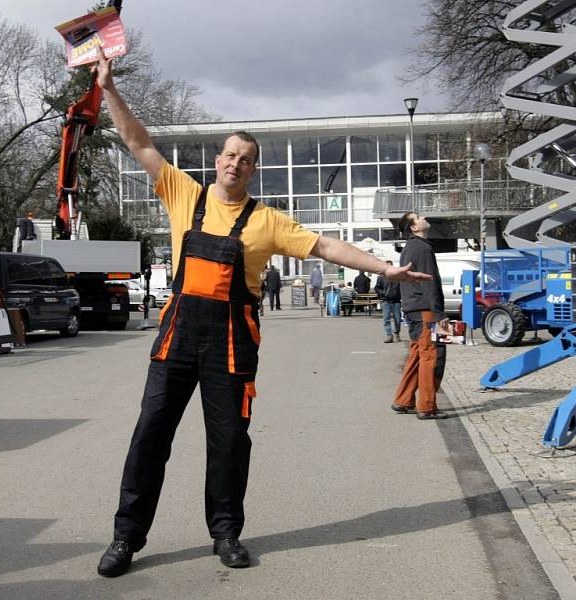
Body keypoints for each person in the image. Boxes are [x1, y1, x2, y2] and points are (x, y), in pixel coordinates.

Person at [93, 49, 431, 578]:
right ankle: (125, 537)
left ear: (254, 168)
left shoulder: (267, 221)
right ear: (217, 161)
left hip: (231, 344)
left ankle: (225, 533)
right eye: (228, 155)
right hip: (176, 339)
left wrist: (386, 268)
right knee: (150, 436)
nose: (233, 163)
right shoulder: (184, 193)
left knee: (229, 442)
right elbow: (138, 142)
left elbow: (325, 248)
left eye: (244, 159)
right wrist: (110, 89)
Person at [391, 212, 450, 420]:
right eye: (419, 217)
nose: (424, 217)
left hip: (413, 309)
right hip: (426, 310)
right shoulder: (423, 248)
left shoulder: (408, 249)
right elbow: (429, 282)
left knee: (417, 355)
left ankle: (403, 400)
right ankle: (426, 406)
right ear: (414, 228)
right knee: (431, 356)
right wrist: (440, 314)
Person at [375, 260, 401, 342]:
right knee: (386, 319)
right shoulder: (381, 277)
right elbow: (377, 288)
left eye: (390, 266)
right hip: (386, 300)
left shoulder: (397, 276)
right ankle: (389, 335)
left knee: (397, 319)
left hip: (396, 301)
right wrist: (383, 293)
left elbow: (402, 287)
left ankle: (396, 333)